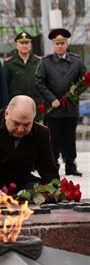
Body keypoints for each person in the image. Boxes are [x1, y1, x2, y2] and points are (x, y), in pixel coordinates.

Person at [35, 28, 86, 176]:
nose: (59, 46)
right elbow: (39, 83)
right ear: (53, 44)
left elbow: (85, 80)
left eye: (62, 43)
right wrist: (52, 99)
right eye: (57, 43)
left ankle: (71, 165)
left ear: (66, 43)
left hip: (70, 108)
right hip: (53, 109)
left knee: (70, 138)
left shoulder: (76, 61)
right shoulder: (45, 62)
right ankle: (53, 166)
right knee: (54, 139)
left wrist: (74, 94)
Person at [3, 31, 43, 121]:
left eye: (27, 43)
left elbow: (43, 84)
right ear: (17, 45)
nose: (24, 45)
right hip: (16, 106)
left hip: (35, 105)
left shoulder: (39, 62)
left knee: (35, 132)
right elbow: (4, 86)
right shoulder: (9, 63)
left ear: (31, 45)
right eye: (21, 43)